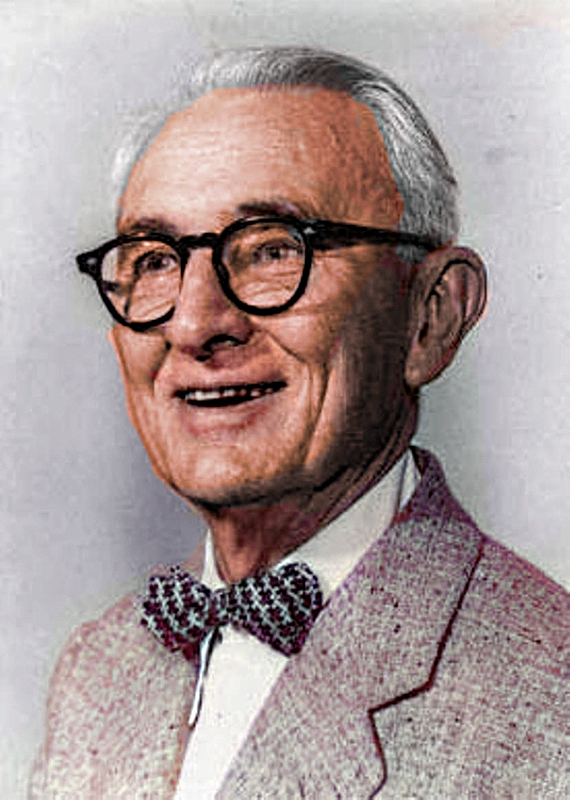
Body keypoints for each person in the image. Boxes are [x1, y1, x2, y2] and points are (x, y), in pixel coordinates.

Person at [30, 46, 568, 800]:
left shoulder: (548, 696)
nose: (193, 325)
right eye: (153, 261)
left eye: (273, 251)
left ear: (431, 317)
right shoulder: (98, 669)